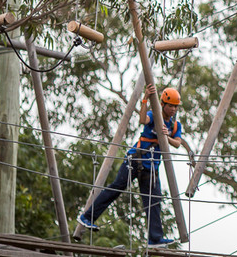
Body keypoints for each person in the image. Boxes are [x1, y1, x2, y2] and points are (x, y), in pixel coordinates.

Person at [78, 84, 183, 247]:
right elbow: (142, 120)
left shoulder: (175, 126)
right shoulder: (154, 115)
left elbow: (177, 143)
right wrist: (145, 98)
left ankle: (155, 238)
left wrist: (166, 136)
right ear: (162, 104)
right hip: (135, 160)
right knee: (117, 187)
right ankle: (87, 217)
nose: (173, 109)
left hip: (152, 168)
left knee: (154, 201)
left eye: (175, 107)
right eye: (170, 106)